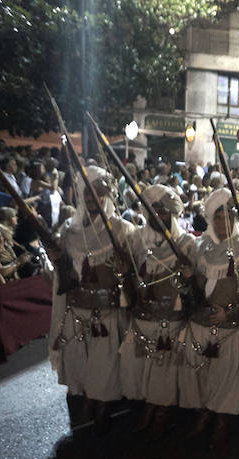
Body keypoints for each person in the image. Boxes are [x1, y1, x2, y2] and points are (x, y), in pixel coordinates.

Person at [48, 166, 135, 433]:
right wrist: (56, 260)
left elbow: (134, 272)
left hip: (106, 310)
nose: (91, 199)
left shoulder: (122, 230)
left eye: (97, 194)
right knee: (78, 358)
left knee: (105, 361)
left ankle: (102, 403)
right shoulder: (69, 230)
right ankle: (85, 396)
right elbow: (61, 272)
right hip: (77, 307)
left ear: (107, 196)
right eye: (87, 194)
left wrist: (124, 270)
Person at [178, 188, 239, 445]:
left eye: (227, 217)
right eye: (218, 218)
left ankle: (223, 420)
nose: (223, 223)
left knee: (227, 376)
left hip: (230, 326)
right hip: (201, 322)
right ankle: (204, 414)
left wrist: (230, 310)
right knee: (201, 374)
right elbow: (193, 288)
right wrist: (190, 279)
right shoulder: (199, 246)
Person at [117, 185, 197, 439]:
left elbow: (197, 288)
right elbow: (129, 277)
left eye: (162, 211)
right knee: (138, 367)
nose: (158, 216)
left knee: (164, 371)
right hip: (142, 317)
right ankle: (147, 409)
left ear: (171, 213)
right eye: (153, 211)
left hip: (170, 321)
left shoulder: (186, 244)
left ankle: (160, 414)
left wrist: (188, 278)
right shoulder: (136, 240)